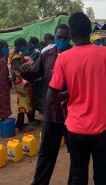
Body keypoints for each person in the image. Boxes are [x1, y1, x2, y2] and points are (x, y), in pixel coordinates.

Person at [46, 12, 106, 185]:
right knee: (101, 177)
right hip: (101, 129)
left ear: (72, 33)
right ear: (90, 31)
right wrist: (104, 85)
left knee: (78, 178)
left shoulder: (64, 59)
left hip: (75, 129)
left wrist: (71, 92)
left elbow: (51, 97)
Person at [21, 24, 73, 185]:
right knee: (46, 154)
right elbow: (33, 74)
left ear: (70, 38)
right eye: (59, 37)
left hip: (71, 114)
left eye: (65, 37)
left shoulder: (75, 54)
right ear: (54, 37)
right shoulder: (46, 55)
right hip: (51, 113)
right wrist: (25, 70)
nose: (62, 40)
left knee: (77, 155)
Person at [9, 38, 34, 132]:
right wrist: (26, 62)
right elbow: (20, 69)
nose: (25, 47)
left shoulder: (15, 54)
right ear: (19, 45)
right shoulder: (15, 56)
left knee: (22, 101)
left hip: (19, 80)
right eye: (24, 46)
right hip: (20, 81)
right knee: (22, 101)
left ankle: (19, 123)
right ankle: (21, 127)